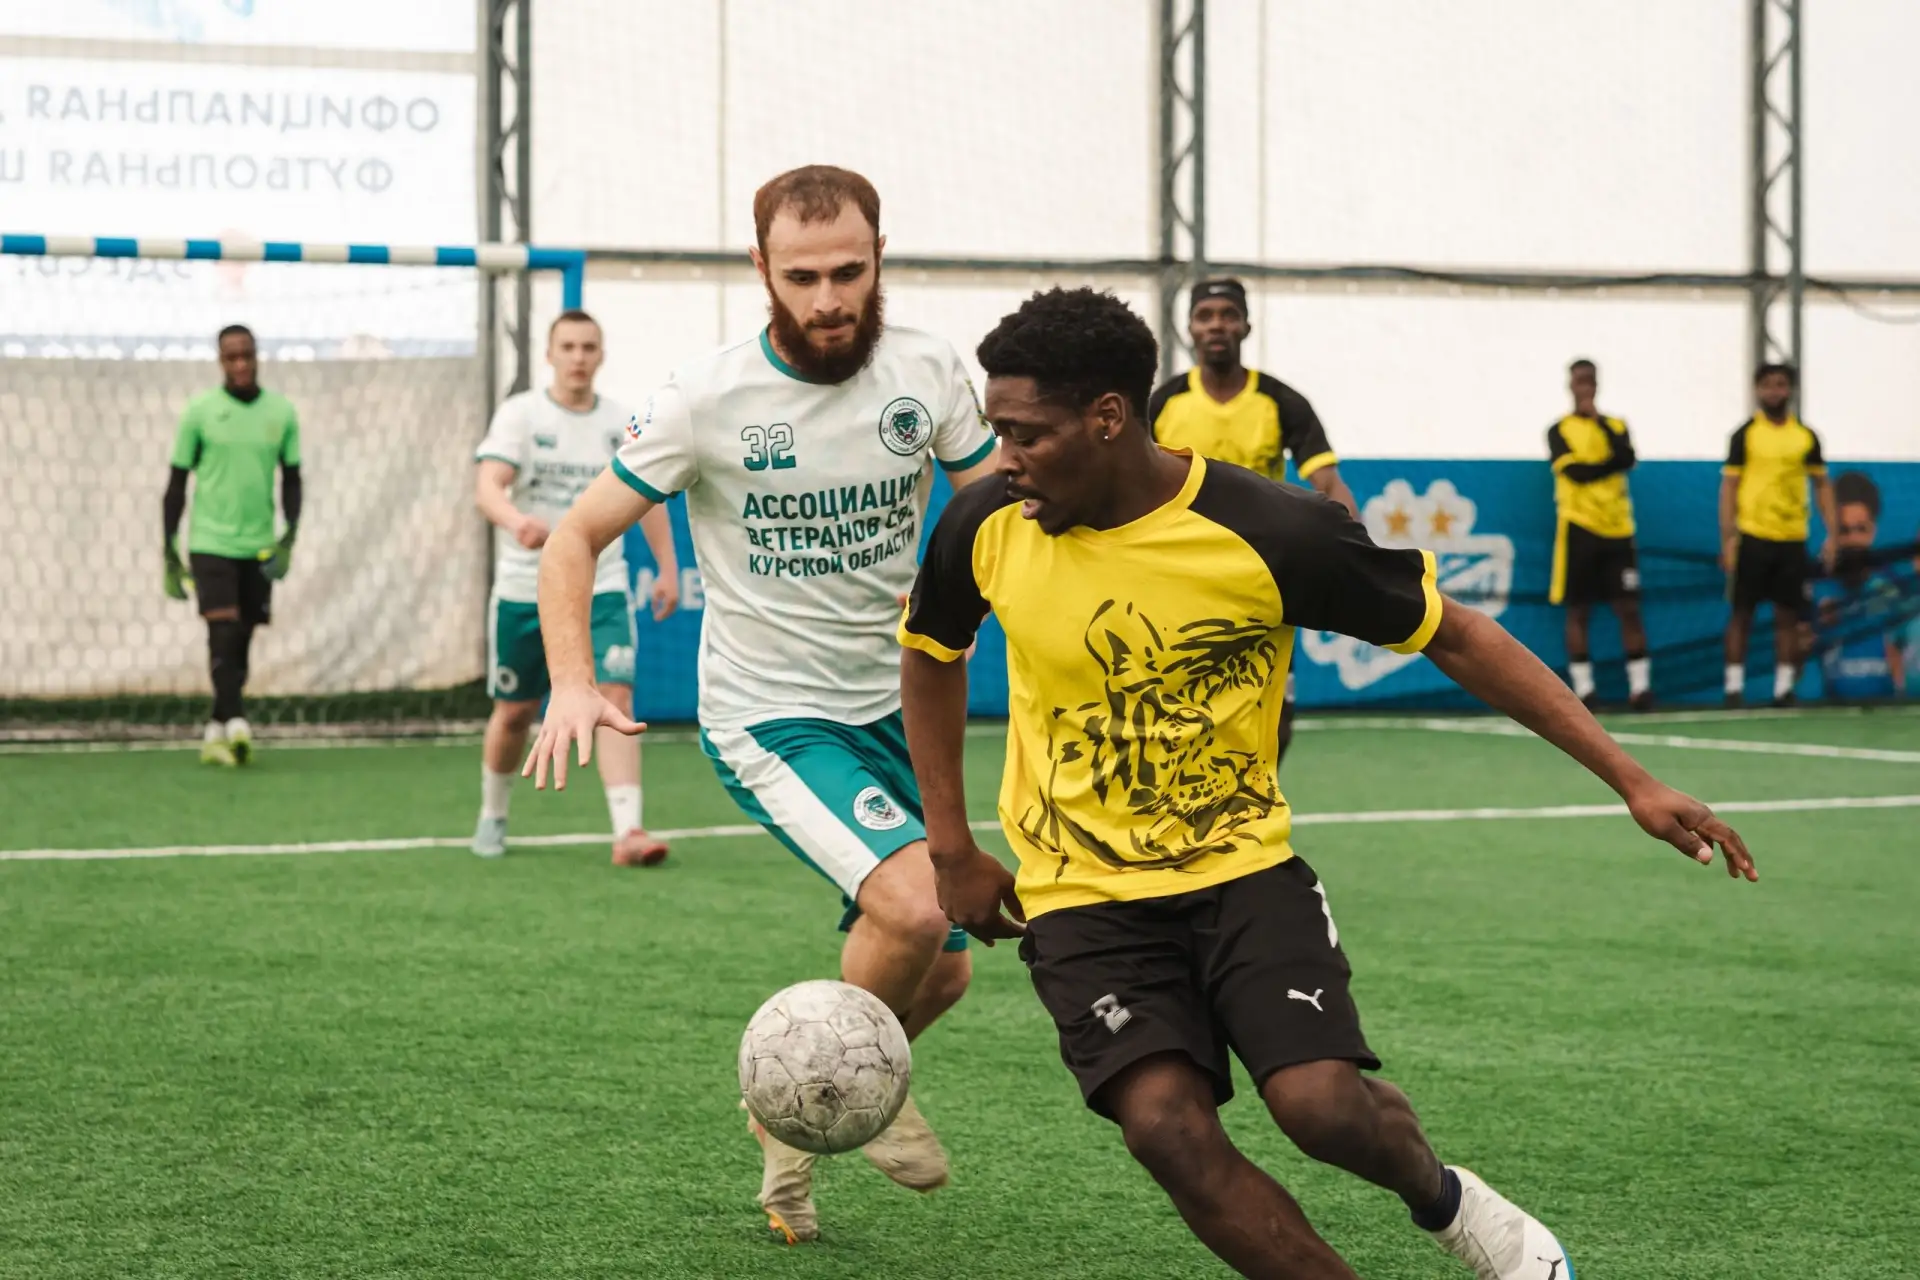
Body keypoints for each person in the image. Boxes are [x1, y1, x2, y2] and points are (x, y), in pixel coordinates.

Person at [898, 287, 1756, 1280]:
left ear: (1108, 417)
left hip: (1241, 873)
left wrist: (1632, 780)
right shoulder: (985, 522)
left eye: (1026, 433)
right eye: (997, 429)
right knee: (1167, 1129)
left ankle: (1448, 1200)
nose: (1003, 456)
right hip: (1081, 896)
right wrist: (950, 846)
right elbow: (931, 652)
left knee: (1321, 1108)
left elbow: (1458, 636)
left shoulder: (1273, 529)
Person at [520, 165, 1001, 1243]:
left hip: (901, 708)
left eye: (849, 272)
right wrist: (572, 679)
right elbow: (574, 538)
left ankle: (794, 1113)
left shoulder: (928, 370)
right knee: (917, 909)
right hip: (772, 714)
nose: (829, 298)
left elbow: (1001, 506)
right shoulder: (706, 398)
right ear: (761, 269)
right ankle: (839, 1089)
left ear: (880, 256)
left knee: (945, 973)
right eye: (803, 277)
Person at [471, 309, 680, 864]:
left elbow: (648, 498)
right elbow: (488, 485)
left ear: (601, 355)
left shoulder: (621, 422)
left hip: (603, 586)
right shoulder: (521, 415)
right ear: (550, 354)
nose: (578, 357)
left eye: (589, 347)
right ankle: (493, 814)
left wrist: (667, 567)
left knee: (615, 696)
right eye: (568, 347)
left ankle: (628, 830)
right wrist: (515, 521)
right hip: (527, 589)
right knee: (514, 712)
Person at [1147, 277, 1357, 772]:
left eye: (1228, 314)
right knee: (1176, 706)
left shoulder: (1281, 401)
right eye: (1205, 316)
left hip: (1265, 576)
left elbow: (1328, 483)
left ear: (1246, 326)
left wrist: (1352, 547)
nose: (1216, 325)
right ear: (1190, 329)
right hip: (1180, 578)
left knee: (1275, 710)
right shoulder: (1163, 402)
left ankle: (1259, 795)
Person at [162, 324, 301, 766]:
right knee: (222, 629)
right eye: (231, 357)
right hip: (210, 541)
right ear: (220, 361)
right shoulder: (200, 412)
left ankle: (216, 727)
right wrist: (168, 548)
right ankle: (237, 719)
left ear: (257, 356)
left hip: (258, 544)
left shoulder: (281, 413)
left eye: (247, 355)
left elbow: (292, 479)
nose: (240, 364)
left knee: (241, 637)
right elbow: (176, 483)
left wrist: (289, 537)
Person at [1720, 362, 1836, 707]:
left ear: (1791, 390)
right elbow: (1729, 487)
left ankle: (1783, 690)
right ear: (1757, 390)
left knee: (1787, 615)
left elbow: (1821, 484)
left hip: (1792, 539)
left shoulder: (1806, 437)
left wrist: (1832, 533)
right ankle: (1733, 689)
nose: (1774, 391)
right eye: (1768, 385)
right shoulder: (1744, 435)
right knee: (1741, 614)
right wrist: (1728, 537)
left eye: (1781, 384)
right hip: (1753, 537)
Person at [1547, 358, 1653, 710]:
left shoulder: (1615, 425)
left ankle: (1640, 688)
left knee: (1629, 607)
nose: (1585, 387)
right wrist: (1609, 465)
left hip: (1618, 529)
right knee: (1579, 609)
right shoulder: (1559, 429)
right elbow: (1575, 473)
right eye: (1579, 381)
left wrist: (1600, 425)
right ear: (1570, 385)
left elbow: (1627, 457)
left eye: (1590, 381)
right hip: (1580, 527)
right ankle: (1584, 690)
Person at [1810, 472, 1906, 701]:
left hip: (1885, 710)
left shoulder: (1893, 589)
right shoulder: (1813, 588)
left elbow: (1900, 653)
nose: (1853, 540)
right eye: (1844, 531)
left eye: (1861, 529)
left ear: (1873, 530)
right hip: (1825, 711)